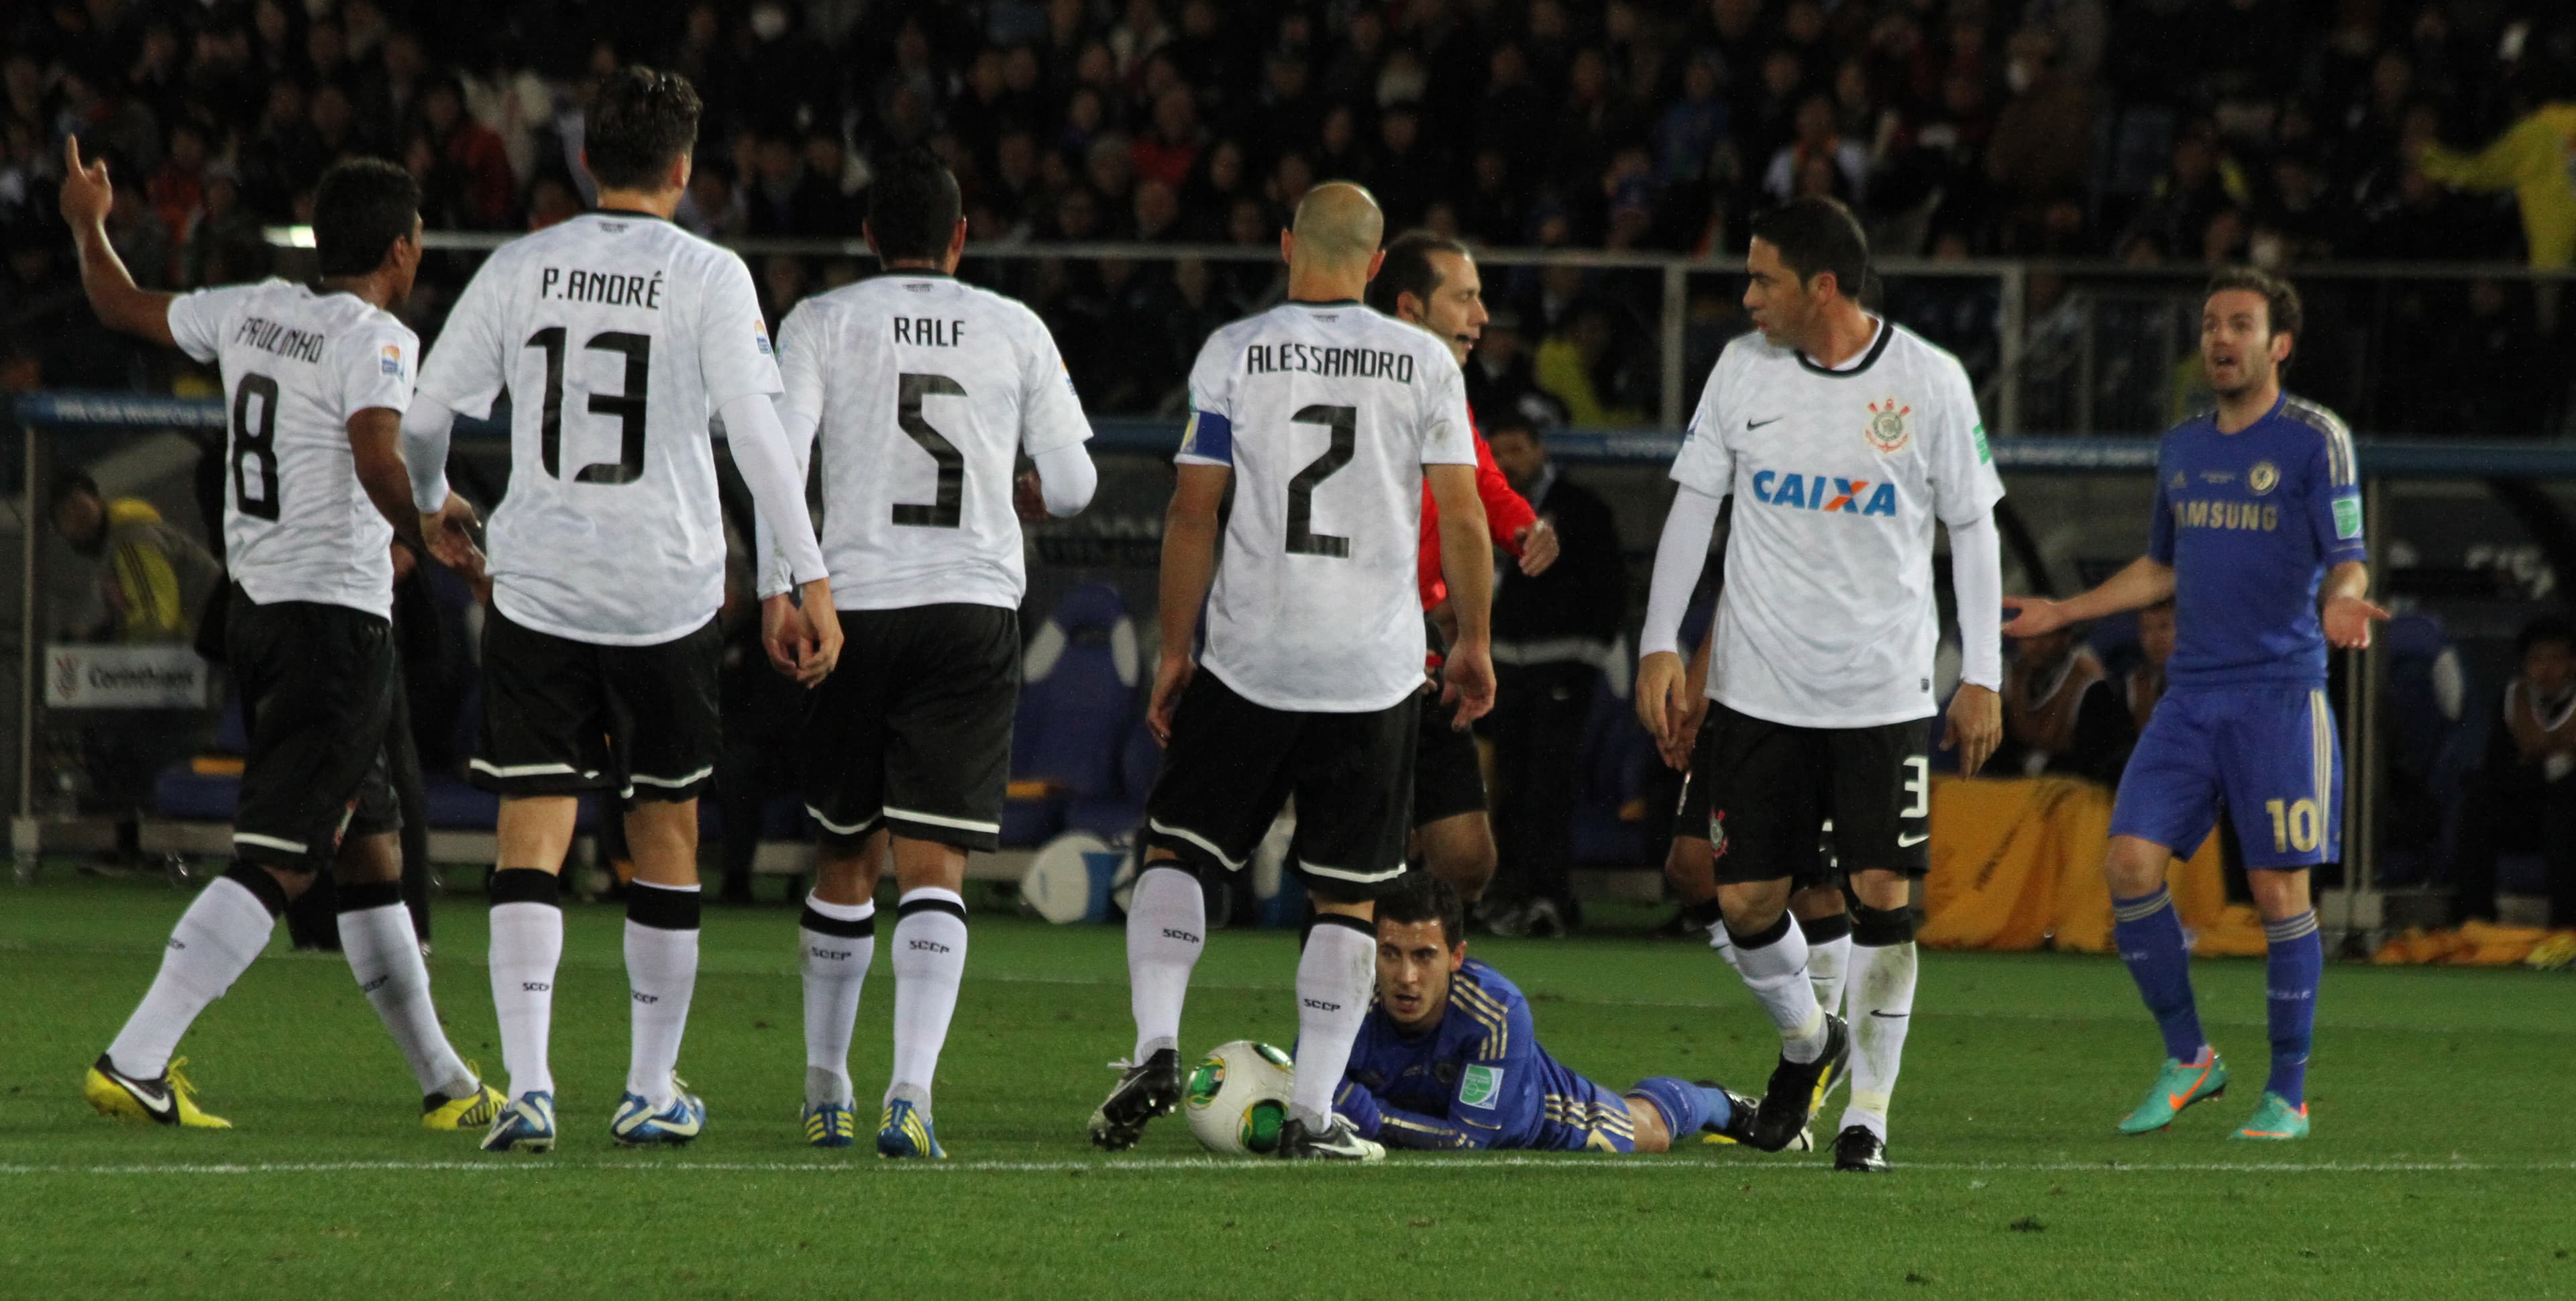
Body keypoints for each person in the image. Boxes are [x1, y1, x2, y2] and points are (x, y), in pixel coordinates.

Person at [402, 67, 839, 1153]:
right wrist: (806, 575)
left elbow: (423, 416)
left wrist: (433, 499)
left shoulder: (522, 264)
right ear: (684, 169)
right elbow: (760, 439)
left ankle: (530, 1084)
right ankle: (648, 1085)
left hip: (541, 583)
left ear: (587, 159)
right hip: (664, 591)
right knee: (664, 824)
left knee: (533, 823)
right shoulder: (711, 273)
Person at [63, 142, 501, 1134]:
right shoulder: (379, 338)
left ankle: (445, 1083)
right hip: (331, 624)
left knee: (372, 857)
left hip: (261, 611)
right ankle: (134, 1057)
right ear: (401, 249)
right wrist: (424, 522)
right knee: (280, 856)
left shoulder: (252, 307)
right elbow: (376, 454)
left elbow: (119, 304)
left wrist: (88, 224)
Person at [1088, 181, 1496, 1162]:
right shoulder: (1423, 362)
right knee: (1347, 896)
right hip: (1371, 668)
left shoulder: (1233, 350)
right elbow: (1465, 512)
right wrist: (1474, 641)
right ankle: (1312, 1109)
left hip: (1251, 657)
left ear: (1285, 246)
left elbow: (1193, 511)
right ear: (1376, 265)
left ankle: (1154, 1045)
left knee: (1178, 851)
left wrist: (1175, 650)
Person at [1634, 197, 2006, 1172]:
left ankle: (1865, 1118)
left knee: (1883, 894)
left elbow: (1973, 528)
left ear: (1823, 287)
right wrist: (1660, 645)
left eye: (1764, 279)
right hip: (1758, 689)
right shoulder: (1742, 371)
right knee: (1746, 902)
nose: (1748, 297)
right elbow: (1693, 508)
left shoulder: (1928, 380)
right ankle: (1810, 1039)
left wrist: (1983, 673)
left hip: (1882, 693)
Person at [755, 150, 1098, 1156]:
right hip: (966, 609)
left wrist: (783, 586)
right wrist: (1030, 492)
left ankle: (826, 1085)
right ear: (960, 237)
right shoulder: (1015, 326)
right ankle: (911, 1091)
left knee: (845, 854)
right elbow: (1074, 484)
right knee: (934, 863)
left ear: (869, 237)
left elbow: (781, 459)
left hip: (852, 603)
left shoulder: (821, 320)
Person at [2002, 268, 2383, 1143]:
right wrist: (2064, 609)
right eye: (2211, 323)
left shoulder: (2315, 439)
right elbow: (2160, 566)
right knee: (2129, 864)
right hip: (2192, 698)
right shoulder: (2181, 446)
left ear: (2279, 345)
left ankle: (2288, 1093)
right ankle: (2190, 1057)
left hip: (2278, 697)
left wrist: (2343, 600)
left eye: (2240, 324)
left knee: (2279, 888)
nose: (2220, 338)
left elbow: (2349, 557)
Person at [1367, 230, 1556, 904]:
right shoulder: (1364, 386)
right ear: (1411, 306)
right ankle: (1361, 951)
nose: (1482, 316)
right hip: (1361, 637)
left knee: (1467, 857)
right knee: (1362, 847)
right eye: (1466, 298)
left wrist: (1522, 524)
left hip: (1422, 642)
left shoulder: (1441, 386)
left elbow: (1480, 479)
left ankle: (1398, 944)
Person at [1334, 872, 1764, 1152]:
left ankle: (1719, 1103)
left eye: (1424, 956)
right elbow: (1312, 1078)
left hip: (1537, 1114)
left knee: (1651, 1132)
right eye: (1390, 954)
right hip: (1415, 1106)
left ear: (1456, 957)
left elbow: (1466, 1140)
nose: (1406, 977)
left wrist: (1365, 1113)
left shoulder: (1494, 1012)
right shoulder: (1347, 999)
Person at [1483, 418, 1625, 935]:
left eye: (1517, 448)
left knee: (1549, 784)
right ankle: (1515, 895)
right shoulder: (1485, 507)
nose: (1508, 461)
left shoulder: (1581, 508)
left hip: (1563, 663)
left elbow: (1611, 586)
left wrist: (1589, 653)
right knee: (1511, 784)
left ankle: (1550, 897)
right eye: (1499, 451)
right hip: (1506, 665)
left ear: (1541, 450)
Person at [2449, 615, 2576, 929]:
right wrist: (2552, 766)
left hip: (2568, 814)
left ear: (2572, 664)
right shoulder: (2512, 700)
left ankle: (2566, 928)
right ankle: (2475, 922)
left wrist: (2534, 767)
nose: (2546, 669)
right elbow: (2500, 771)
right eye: (2537, 659)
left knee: (2565, 810)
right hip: (2526, 810)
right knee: (2479, 806)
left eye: (2556, 659)